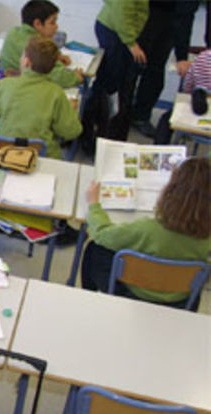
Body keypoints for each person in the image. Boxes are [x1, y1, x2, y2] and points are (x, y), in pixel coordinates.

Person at [81, 157, 211, 311]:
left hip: (132, 295)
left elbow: (102, 234)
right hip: (180, 302)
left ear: (171, 190)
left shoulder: (146, 229)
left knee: (95, 248)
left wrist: (94, 204)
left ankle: (87, 299)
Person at [0, 36, 82, 159]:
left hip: (6, 154)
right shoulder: (56, 93)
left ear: (27, 62)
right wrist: (71, 110)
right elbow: (71, 131)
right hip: (42, 157)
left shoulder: (4, 85)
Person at [82, 0, 149, 145]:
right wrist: (131, 42)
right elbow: (123, 10)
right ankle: (101, 135)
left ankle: (98, 131)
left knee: (110, 85)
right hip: (117, 32)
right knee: (113, 88)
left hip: (118, 31)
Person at [131, 0, 200, 138]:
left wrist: (182, 56)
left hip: (168, 17)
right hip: (143, 11)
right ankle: (121, 115)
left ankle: (140, 117)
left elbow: (186, 15)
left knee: (154, 72)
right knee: (131, 67)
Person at [0, 0, 83, 88]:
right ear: (38, 24)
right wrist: (75, 77)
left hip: (8, 80)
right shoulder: (36, 46)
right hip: (25, 87)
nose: (56, 26)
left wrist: (56, 55)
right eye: (52, 22)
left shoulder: (13, 32)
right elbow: (58, 77)